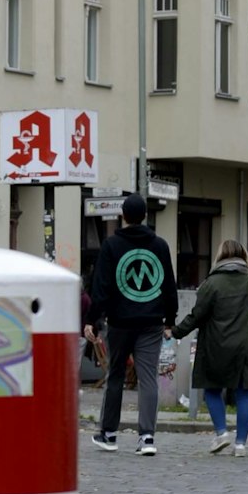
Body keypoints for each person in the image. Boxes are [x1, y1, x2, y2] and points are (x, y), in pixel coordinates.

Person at [85, 194, 177, 455]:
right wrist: (170, 319)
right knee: (148, 378)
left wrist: (92, 319)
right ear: (145, 216)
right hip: (151, 321)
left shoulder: (112, 245)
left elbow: (101, 285)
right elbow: (168, 284)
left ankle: (109, 434)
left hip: (120, 321)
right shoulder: (159, 245)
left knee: (115, 375)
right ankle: (147, 437)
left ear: (123, 216)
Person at [171, 239, 248, 457]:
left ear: (220, 257)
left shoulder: (211, 283)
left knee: (212, 390)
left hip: (215, 347)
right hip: (247, 347)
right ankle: (241, 445)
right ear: (244, 257)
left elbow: (197, 316)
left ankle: (221, 433)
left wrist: (176, 331)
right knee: (245, 393)